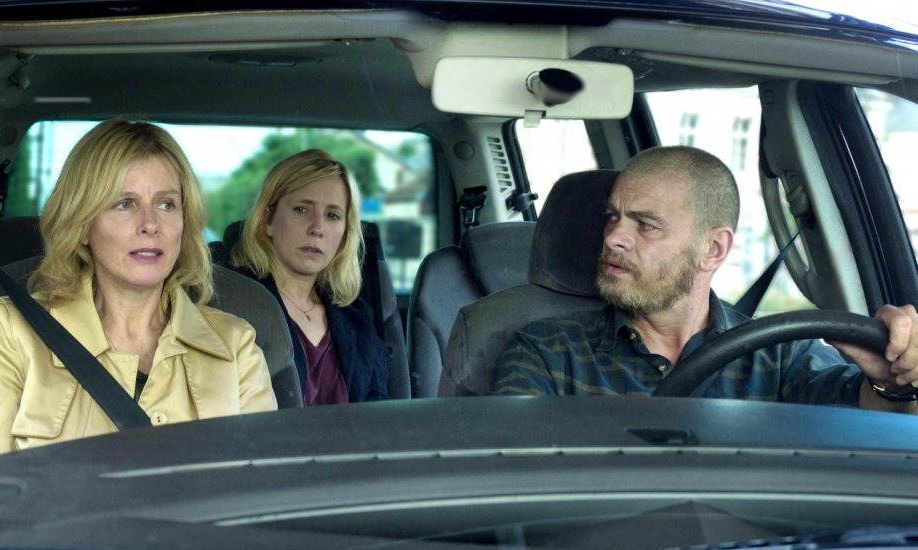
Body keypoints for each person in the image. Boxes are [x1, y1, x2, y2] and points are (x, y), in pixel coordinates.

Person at [0, 119, 277, 469]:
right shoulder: (9, 332)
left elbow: (268, 487)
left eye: (167, 204)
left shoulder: (235, 346)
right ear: (82, 225)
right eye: (124, 204)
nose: (150, 224)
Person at [493, 145, 918, 414]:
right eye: (612, 217)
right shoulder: (547, 351)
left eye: (646, 225)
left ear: (713, 249)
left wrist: (893, 382)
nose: (613, 237)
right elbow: (510, 474)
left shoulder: (780, 356)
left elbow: (869, 436)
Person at [229, 149, 389, 406]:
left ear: (344, 235)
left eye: (333, 215)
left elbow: (381, 413)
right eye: (302, 210)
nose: (317, 228)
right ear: (268, 220)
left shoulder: (357, 318)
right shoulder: (232, 305)